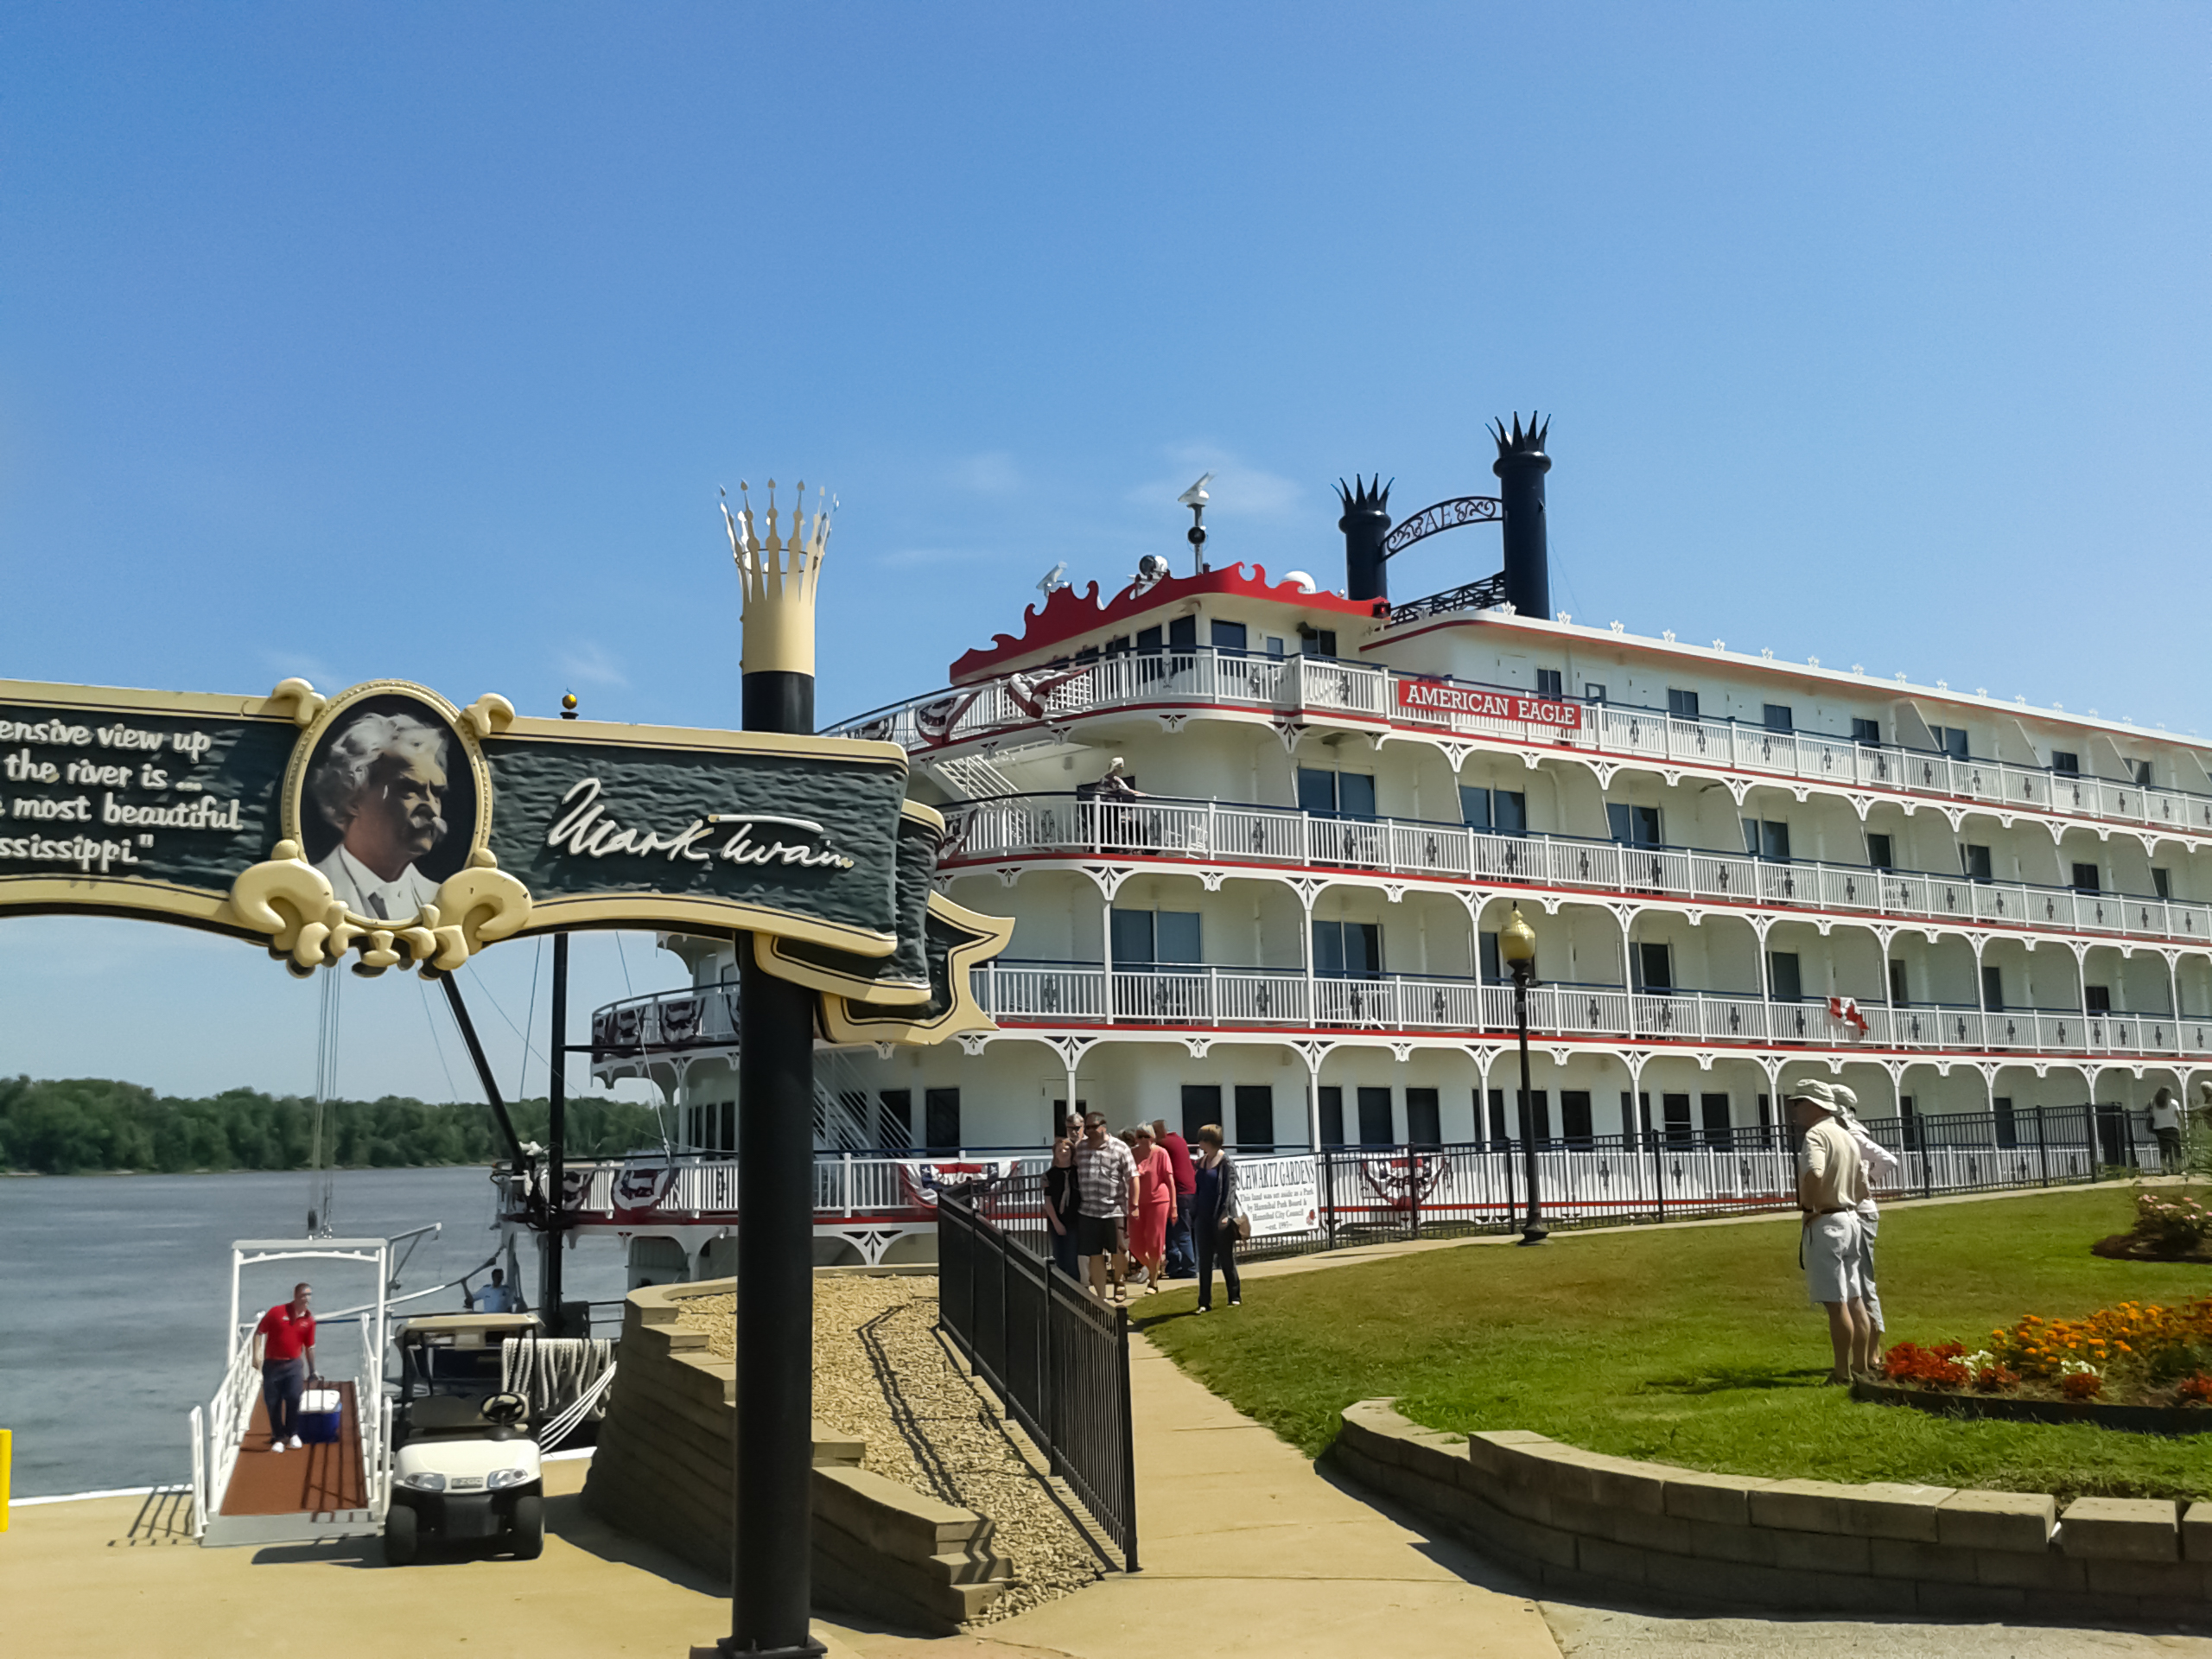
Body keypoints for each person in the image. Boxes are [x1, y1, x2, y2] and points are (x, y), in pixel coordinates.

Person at [308, 709, 454, 919]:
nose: (432, 808)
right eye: (410, 790)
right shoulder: (311, 889)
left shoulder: (440, 899)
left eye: (437, 793)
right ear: (353, 797)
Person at [1788, 1079, 1871, 1384]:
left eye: (1800, 1103)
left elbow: (1814, 1173)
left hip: (1827, 1221)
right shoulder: (1847, 1136)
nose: (1795, 1109)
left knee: (1836, 1303)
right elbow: (1863, 1187)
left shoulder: (1816, 1135)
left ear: (1816, 1105)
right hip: (1850, 1218)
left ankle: (1841, 1371)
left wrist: (1809, 1207)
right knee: (1854, 1297)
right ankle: (1860, 1366)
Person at [1831, 1084, 1897, 1376]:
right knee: (1856, 1283)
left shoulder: (1853, 1135)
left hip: (1861, 1215)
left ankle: (1873, 1350)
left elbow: (1888, 1160)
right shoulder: (1845, 1133)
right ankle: (1870, 1349)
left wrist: (1867, 1183)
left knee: (1864, 1283)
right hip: (1852, 1214)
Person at [1071, 1111, 1138, 1304]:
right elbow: (1066, 1163)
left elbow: (1133, 1176)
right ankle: (1101, 1297)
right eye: (1088, 1127)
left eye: (1094, 1127)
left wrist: (1134, 1205)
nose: (1090, 1131)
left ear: (1104, 1126)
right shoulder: (1081, 1149)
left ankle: (1119, 1281)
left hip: (1114, 1210)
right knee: (1094, 1255)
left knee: (1119, 1251)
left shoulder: (1120, 1148)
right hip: (1088, 1212)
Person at [255, 1281, 318, 1452]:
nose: (307, 1298)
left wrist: (313, 1371)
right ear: (295, 1296)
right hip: (273, 1365)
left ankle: (293, 1433)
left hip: (294, 1365)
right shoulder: (277, 1312)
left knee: (294, 1397)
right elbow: (259, 1332)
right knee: (273, 1402)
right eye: (303, 1295)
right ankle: (278, 1437)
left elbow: (310, 1347)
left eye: (309, 1295)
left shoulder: (309, 1321)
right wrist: (256, 1355)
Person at [1191, 1123, 1242, 1312]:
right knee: (1204, 1261)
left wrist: (1225, 1214)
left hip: (1220, 1217)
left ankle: (1234, 1296)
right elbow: (1199, 1189)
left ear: (1209, 1141)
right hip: (1202, 1217)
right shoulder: (1202, 1162)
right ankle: (1204, 1302)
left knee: (1226, 1258)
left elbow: (1230, 1190)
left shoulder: (1225, 1163)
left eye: (1202, 1139)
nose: (1199, 1143)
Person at [1128, 1125, 1178, 1295]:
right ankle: (1154, 1269)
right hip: (1135, 1203)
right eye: (1139, 1136)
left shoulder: (1161, 1153)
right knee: (1134, 1245)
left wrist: (1174, 1206)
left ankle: (1153, 1283)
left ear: (1153, 1138)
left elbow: (1170, 1180)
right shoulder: (1131, 1154)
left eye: (1146, 1136)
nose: (1142, 1140)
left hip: (1158, 1201)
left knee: (1155, 1241)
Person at [1154, 1118, 1198, 1279]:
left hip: (1179, 1192)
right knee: (1173, 1230)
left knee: (1181, 1231)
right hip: (1190, 1191)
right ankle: (1174, 1266)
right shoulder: (1179, 1140)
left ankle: (1189, 1268)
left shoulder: (1163, 1144)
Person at [1042, 1135, 1080, 1281]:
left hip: (1075, 1220)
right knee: (1060, 1258)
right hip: (1056, 1221)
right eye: (1060, 1150)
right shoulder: (1049, 1175)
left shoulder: (1078, 1173)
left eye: (1066, 1149)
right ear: (1055, 1153)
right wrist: (1057, 1223)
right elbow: (1048, 1201)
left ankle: (1074, 1293)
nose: (1063, 1152)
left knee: (1073, 1259)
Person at [2151, 1087, 2184, 1172]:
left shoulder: (2153, 1103)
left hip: (2159, 1128)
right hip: (2172, 1128)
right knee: (2177, 1148)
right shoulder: (2173, 1103)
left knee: (2163, 1149)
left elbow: (2150, 1113)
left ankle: (2164, 1168)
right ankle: (2179, 1167)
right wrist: (2183, 1125)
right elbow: (2179, 1116)